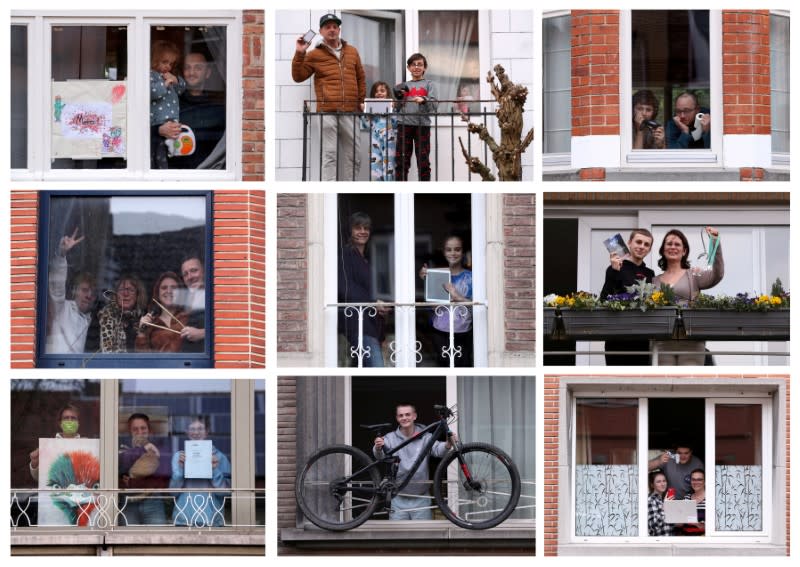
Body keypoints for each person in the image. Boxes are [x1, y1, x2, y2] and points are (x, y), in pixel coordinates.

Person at [292, 13, 366, 181]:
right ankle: (329, 189)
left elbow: (361, 77)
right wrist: (299, 53)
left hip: (350, 111)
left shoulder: (352, 51)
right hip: (327, 112)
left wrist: (361, 101)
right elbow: (298, 76)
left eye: (335, 26)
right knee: (329, 155)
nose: (332, 30)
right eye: (328, 27)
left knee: (354, 156)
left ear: (339, 29)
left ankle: (350, 190)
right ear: (321, 31)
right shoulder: (314, 54)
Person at [652, 227, 723, 365]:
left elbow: (717, 274)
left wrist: (715, 243)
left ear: (684, 251)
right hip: (662, 342)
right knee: (664, 384)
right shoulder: (654, 280)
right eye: (669, 244)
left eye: (677, 244)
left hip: (691, 342)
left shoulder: (693, 275)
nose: (673, 247)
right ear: (662, 250)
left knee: (689, 383)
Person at [373, 403, 456, 520]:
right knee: (396, 536)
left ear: (414, 416)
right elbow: (380, 457)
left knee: (424, 536)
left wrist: (448, 444)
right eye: (401, 415)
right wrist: (377, 447)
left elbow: (438, 450)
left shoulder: (426, 436)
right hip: (398, 497)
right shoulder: (390, 438)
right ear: (397, 418)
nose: (404, 418)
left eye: (408, 414)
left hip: (421, 498)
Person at [159, 52, 226, 170]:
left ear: (208, 73)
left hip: (211, 172)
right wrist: (159, 130)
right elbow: (146, 130)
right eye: (187, 68)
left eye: (198, 68)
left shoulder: (218, 108)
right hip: (174, 173)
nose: (192, 73)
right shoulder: (171, 102)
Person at [600, 229, 655, 366]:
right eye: (638, 242)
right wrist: (614, 272)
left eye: (646, 244)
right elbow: (604, 299)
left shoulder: (650, 273)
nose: (642, 246)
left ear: (649, 249)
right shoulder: (615, 267)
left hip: (642, 338)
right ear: (629, 243)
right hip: (617, 337)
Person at [338, 212, 386, 367]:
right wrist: (373, 302)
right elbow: (344, 287)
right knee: (377, 368)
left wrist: (384, 306)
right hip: (357, 324)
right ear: (350, 230)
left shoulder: (369, 259)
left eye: (366, 228)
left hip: (372, 326)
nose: (363, 231)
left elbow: (376, 291)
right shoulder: (345, 255)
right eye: (358, 228)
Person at [419, 235, 473, 366]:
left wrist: (458, 297)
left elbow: (477, 307)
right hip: (440, 330)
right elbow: (431, 307)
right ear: (444, 252)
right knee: (443, 366)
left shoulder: (471, 277)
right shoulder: (436, 275)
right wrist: (426, 281)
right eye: (449, 250)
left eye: (457, 249)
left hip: (464, 330)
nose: (453, 253)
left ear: (463, 252)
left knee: (463, 366)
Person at [169, 417, 231, 527]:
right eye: (192, 429)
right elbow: (173, 492)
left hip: (212, 521)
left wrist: (215, 470)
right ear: (187, 432)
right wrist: (181, 469)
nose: (196, 432)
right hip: (184, 520)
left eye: (200, 429)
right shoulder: (178, 457)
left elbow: (225, 493)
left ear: (207, 432)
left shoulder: (220, 458)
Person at [46, 227, 97, 354]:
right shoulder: (63, 308)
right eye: (85, 290)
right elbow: (56, 286)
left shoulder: (95, 321)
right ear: (75, 291)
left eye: (93, 293)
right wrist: (61, 255)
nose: (89, 295)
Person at [118, 413, 170, 525]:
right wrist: (143, 449)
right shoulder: (121, 449)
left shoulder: (159, 449)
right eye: (135, 429)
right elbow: (120, 467)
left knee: (158, 540)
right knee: (126, 541)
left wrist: (132, 482)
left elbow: (163, 479)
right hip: (128, 503)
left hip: (153, 502)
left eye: (143, 428)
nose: (140, 432)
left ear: (149, 430)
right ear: (130, 432)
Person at [394, 53, 437, 181]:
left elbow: (434, 105)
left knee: (423, 162)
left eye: (420, 64)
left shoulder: (429, 84)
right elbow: (397, 107)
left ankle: (424, 192)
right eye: (413, 64)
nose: (417, 67)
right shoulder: (403, 85)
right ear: (408, 68)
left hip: (422, 126)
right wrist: (399, 98)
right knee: (401, 161)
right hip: (404, 125)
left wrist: (423, 99)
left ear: (425, 68)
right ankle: (400, 190)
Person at [150, 40, 186, 169]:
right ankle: (159, 171)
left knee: (173, 147)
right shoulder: (151, 76)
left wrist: (176, 81)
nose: (168, 67)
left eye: (171, 63)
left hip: (172, 119)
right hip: (157, 120)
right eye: (164, 62)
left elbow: (182, 90)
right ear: (155, 60)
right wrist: (164, 84)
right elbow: (152, 93)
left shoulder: (170, 75)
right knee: (157, 150)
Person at [135, 272, 188, 353]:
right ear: (158, 294)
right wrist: (141, 333)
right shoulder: (151, 323)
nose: (169, 291)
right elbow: (142, 359)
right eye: (164, 288)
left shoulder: (188, 318)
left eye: (173, 288)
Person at [29, 403, 82, 481]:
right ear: (60, 423)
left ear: (78, 423)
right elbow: (38, 478)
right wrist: (35, 463)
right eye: (66, 418)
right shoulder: (49, 445)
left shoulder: (88, 446)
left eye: (73, 418)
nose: (69, 421)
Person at [98, 275, 147, 353]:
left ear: (138, 295)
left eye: (130, 290)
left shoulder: (144, 319)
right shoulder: (103, 317)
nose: (125, 294)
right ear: (115, 294)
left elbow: (147, 356)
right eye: (121, 289)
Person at [360, 81, 398, 181]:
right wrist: (365, 111)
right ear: (373, 95)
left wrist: (393, 109)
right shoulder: (371, 112)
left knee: (389, 168)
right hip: (375, 143)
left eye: (382, 91)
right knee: (376, 169)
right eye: (376, 91)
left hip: (389, 143)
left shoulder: (392, 110)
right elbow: (365, 125)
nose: (379, 93)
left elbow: (396, 124)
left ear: (387, 94)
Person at [179, 255, 206, 352]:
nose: (190, 277)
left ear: (204, 271)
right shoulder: (180, 302)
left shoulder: (216, 295)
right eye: (185, 274)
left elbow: (235, 327)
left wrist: (202, 333)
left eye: (194, 271)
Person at [679, 468, 706, 535]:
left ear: (705, 481)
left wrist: (697, 524)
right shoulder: (686, 498)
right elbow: (679, 524)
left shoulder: (711, 499)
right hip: (686, 538)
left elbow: (716, 527)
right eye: (693, 479)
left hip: (703, 540)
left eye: (699, 479)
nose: (696, 482)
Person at [647, 471, 674, 536]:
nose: (662, 484)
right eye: (658, 482)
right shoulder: (651, 500)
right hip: (658, 543)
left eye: (664, 481)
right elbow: (653, 526)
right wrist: (664, 507)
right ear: (652, 485)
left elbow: (668, 524)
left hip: (669, 541)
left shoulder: (663, 500)